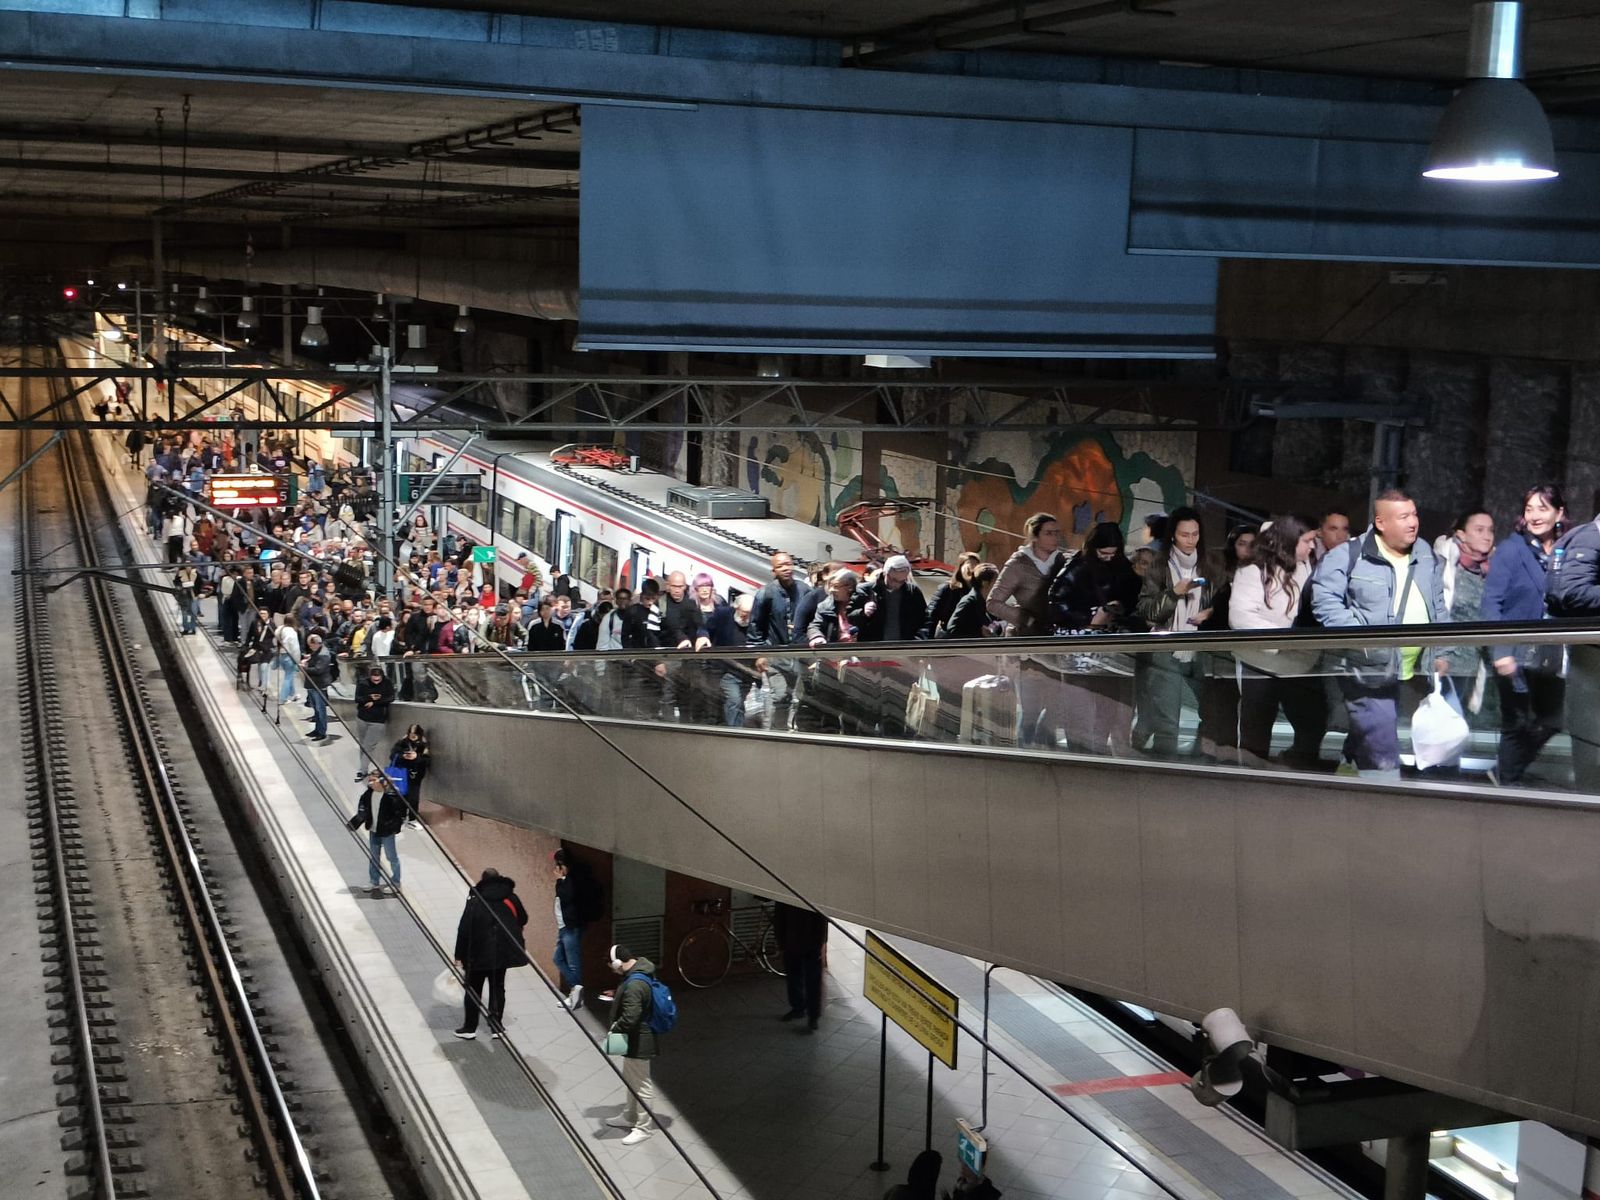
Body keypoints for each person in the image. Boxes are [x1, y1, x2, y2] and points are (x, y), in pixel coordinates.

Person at [1311, 489, 1451, 779]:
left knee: (1374, 728)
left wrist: (1441, 651)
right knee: (1382, 746)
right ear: (1381, 522)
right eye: (1403, 517)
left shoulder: (1425, 554)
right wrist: (1360, 639)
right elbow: (1325, 602)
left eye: (1414, 514)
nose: (1413, 522)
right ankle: (1384, 802)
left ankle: (1348, 770)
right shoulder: (1348, 555)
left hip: (1410, 668)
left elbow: (1437, 605)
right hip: (1364, 668)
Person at [1481, 485, 1566, 786]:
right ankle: (1506, 783)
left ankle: (1502, 773)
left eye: (1542, 508)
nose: (1534, 515)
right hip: (1514, 652)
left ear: (1559, 513)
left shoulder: (1564, 550)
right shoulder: (1512, 549)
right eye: (1529, 508)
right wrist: (1500, 650)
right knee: (1516, 723)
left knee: (1553, 720)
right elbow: (1491, 602)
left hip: (1551, 654)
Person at [1229, 516, 1326, 769]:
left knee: (1312, 722)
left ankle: (1296, 770)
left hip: (1298, 664)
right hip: (1260, 663)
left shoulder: (1305, 568)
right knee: (1256, 728)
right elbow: (1241, 618)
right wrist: (1284, 640)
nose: (1312, 547)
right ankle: (1250, 781)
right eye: (1306, 541)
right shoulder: (1252, 571)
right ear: (1288, 542)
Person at [1047, 522, 1144, 756]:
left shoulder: (1124, 569)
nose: (1109, 558)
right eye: (1103, 553)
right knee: (1078, 706)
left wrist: (1119, 608)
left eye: (1113, 553)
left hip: (1110, 650)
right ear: (1093, 549)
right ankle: (1079, 754)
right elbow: (1055, 603)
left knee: (1106, 706)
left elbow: (1133, 597)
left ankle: (1097, 751)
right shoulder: (1076, 567)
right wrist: (1089, 618)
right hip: (1078, 649)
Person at [1134, 507, 1216, 758]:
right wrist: (1174, 593)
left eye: (1195, 534)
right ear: (1173, 536)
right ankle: (1161, 772)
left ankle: (1195, 762)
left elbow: (1219, 602)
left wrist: (1209, 613)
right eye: (1184, 535)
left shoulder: (1209, 565)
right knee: (1167, 721)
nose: (1191, 540)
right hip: (1165, 648)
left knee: (1211, 714)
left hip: (1198, 648)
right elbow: (1147, 610)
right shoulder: (1159, 565)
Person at [452, 868, 529, 1040]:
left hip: (476, 954)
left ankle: (470, 1028)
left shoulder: (475, 900)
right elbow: (523, 918)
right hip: (501, 954)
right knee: (497, 988)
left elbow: (464, 929)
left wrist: (459, 954)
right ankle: (496, 1027)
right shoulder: (511, 898)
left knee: (473, 990)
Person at [1434, 509, 1496, 722]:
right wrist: (1439, 653)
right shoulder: (1444, 564)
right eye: (1479, 530)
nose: (1487, 536)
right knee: (1440, 726)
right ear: (1461, 534)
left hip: (1474, 665)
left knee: (1458, 727)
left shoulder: (1489, 570)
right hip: (1446, 661)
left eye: (1490, 530)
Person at [603, 944, 660, 1146]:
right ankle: (629, 1115)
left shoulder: (635, 984)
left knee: (642, 1085)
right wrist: (618, 994)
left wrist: (614, 1031)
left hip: (639, 1040)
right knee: (631, 1079)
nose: (613, 970)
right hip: (635, 1038)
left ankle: (643, 1128)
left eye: (612, 966)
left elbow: (631, 1016)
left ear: (618, 963)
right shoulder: (639, 972)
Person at [749, 551, 806, 731]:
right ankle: (775, 733)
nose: (786, 569)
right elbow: (756, 626)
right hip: (776, 655)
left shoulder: (805, 590)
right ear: (773, 570)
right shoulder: (765, 593)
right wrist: (759, 655)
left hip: (800, 656)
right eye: (781, 566)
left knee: (798, 699)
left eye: (788, 564)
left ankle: (789, 732)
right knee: (779, 696)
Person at [986, 513, 1062, 637]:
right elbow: (993, 603)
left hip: (1055, 636)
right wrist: (1026, 619)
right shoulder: (1018, 564)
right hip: (1025, 638)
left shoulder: (1062, 561)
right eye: (1048, 533)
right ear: (1035, 536)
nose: (1055, 538)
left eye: (1057, 533)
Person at [347, 770, 406, 896]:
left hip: (386, 831)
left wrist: (393, 828)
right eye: (370, 780)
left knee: (392, 857)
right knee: (374, 857)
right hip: (373, 830)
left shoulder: (392, 796)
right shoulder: (368, 794)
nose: (370, 783)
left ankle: (396, 882)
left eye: (374, 780)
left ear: (382, 781)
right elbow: (362, 809)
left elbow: (399, 814)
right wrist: (356, 822)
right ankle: (374, 881)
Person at [772, 901, 827, 1032]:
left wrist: (781, 943)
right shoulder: (810, 894)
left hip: (800, 943)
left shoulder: (787, 894)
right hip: (800, 943)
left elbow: (779, 919)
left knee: (802, 978)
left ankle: (806, 1012)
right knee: (803, 978)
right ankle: (806, 1012)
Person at [552, 850, 589, 1010]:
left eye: (558, 865)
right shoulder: (569, 880)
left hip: (571, 927)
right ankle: (576, 989)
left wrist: (560, 880)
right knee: (558, 958)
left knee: (573, 963)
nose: (556, 868)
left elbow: (567, 897)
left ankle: (576, 995)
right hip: (564, 927)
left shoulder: (572, 880)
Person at [920, 552, 981, 639]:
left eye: (976, 566)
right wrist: (926, 641)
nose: (972, 570)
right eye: (969, 565)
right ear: (960, 567)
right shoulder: (948, 589)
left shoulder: (980, 590)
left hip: (974, 638)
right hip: (950, 637)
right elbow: (931, 615)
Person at [353, 665, 395, 781]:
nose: (376, 681)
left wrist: (376, 702)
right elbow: (357, 698)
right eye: (374, 679)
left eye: (378, 679)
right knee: (363, 744)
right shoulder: (363, 683)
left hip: (378, 720)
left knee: (368, 746)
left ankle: (362, 770)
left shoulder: (387, 683)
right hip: (362, 717)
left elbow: (391, 698)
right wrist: (369, 698)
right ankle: (364, 768)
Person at [389, 724, 430, 826]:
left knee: (414, 798)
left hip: (416, 776)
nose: (412, 736)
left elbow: (427, 760)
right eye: (411, 734)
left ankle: (412, 819)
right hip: (402, 773)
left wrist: (416, 757)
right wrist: (403, 756)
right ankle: (401, 817)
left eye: (415, 734)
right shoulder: (402, 743)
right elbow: (392, 755)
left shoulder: (423, 746)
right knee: (402, 796)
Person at [301, 632, 336, 742]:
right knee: (316, 710)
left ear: (316, 644)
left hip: (319, 685)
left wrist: (304, 668)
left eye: (311, 645)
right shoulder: (317, 652)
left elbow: (318, 670)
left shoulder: (323, 654)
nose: (310, 647)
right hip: (312, 684)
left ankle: (322, 732)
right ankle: (317, 729)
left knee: (320, 710)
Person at [173, 562, 202, 635]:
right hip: (183, 596)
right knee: (184, 613)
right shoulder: (180, 573)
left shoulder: (196, 574)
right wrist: (181, 586)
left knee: (193, 613)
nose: (188, 567)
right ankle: (186, 628)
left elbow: (200, 584)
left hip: (193, 595)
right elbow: (176, 582)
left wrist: (197, 594)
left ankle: (193, 628)